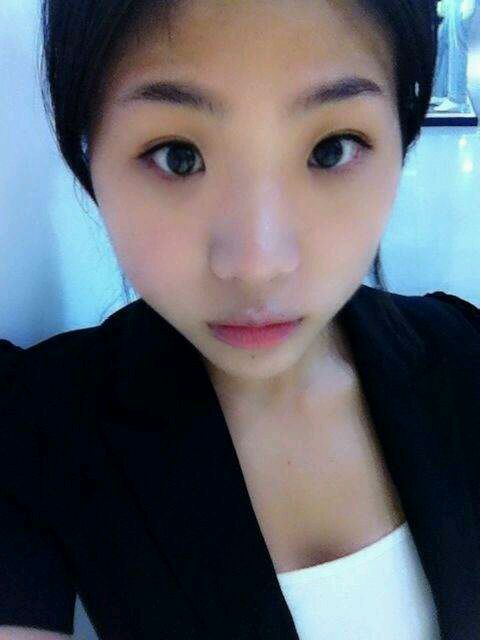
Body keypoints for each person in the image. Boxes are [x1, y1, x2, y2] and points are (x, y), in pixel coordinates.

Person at [1, 1, 479, 639]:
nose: (258, 264)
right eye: (178, 156)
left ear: (402, 131)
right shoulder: (35, 424)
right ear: (90, 153)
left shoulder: (466, 354)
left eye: (330, 150)